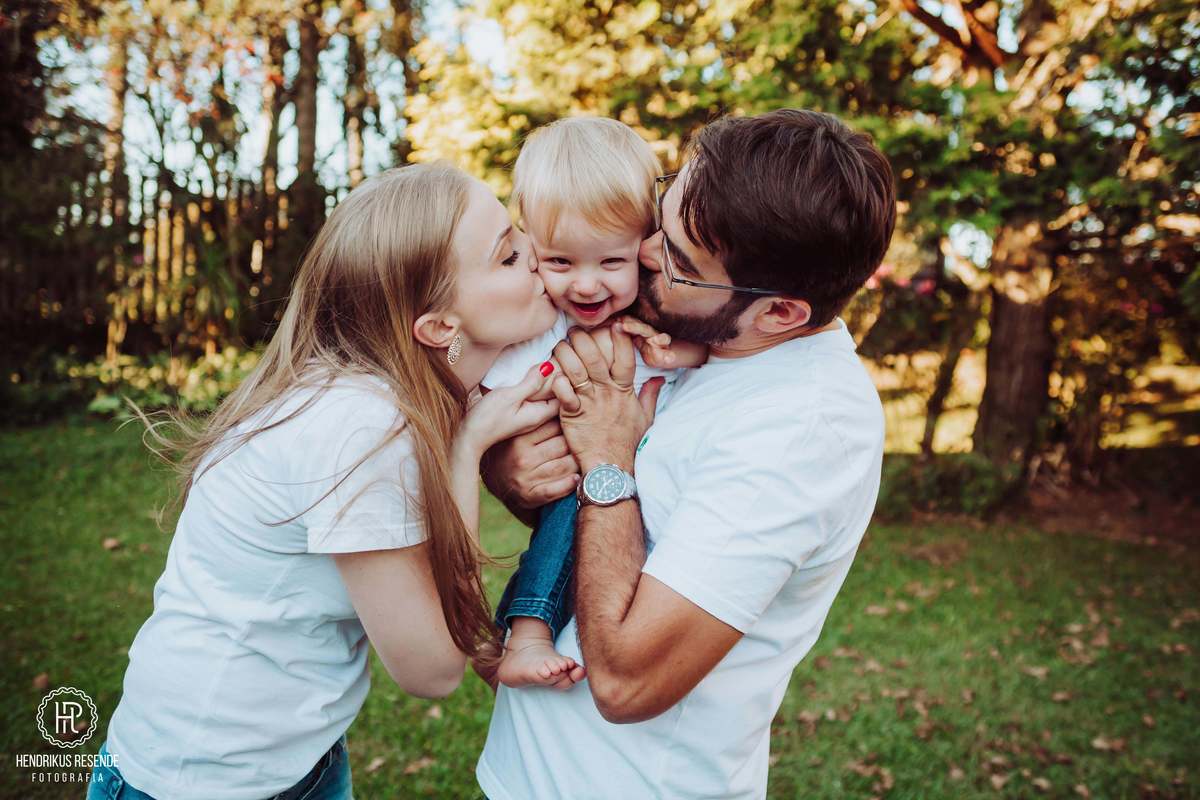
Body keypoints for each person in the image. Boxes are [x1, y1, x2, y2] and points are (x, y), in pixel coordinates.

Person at [86, 163, 564, 800]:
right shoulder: (360, 428)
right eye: (507, 255)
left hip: (293, 762)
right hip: (203, 779)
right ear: (440, 327)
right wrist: (469, 446)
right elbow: (432, 668)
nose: (537, 253)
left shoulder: (368, 393)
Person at [476, 108, 897, 799]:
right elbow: (612, 532)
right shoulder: (702, 342)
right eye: (660, 225)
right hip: (531, 773)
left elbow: (627, 680)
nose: (643, 256)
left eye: (678, 259)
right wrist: (510, 470)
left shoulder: (800, 433)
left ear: (780, 313)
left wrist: (609, 460)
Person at [479, 116, 706, 690]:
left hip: (636, 482)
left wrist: (671, 348)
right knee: (566, 519)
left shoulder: (649, 316)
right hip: (572, 470)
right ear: (529, 244)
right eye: (560, 262)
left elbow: (695, 354)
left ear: (646, 248)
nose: (585, 286)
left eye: (610, 263)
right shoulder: (533, 321)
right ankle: (526, 631)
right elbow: (484, 381)